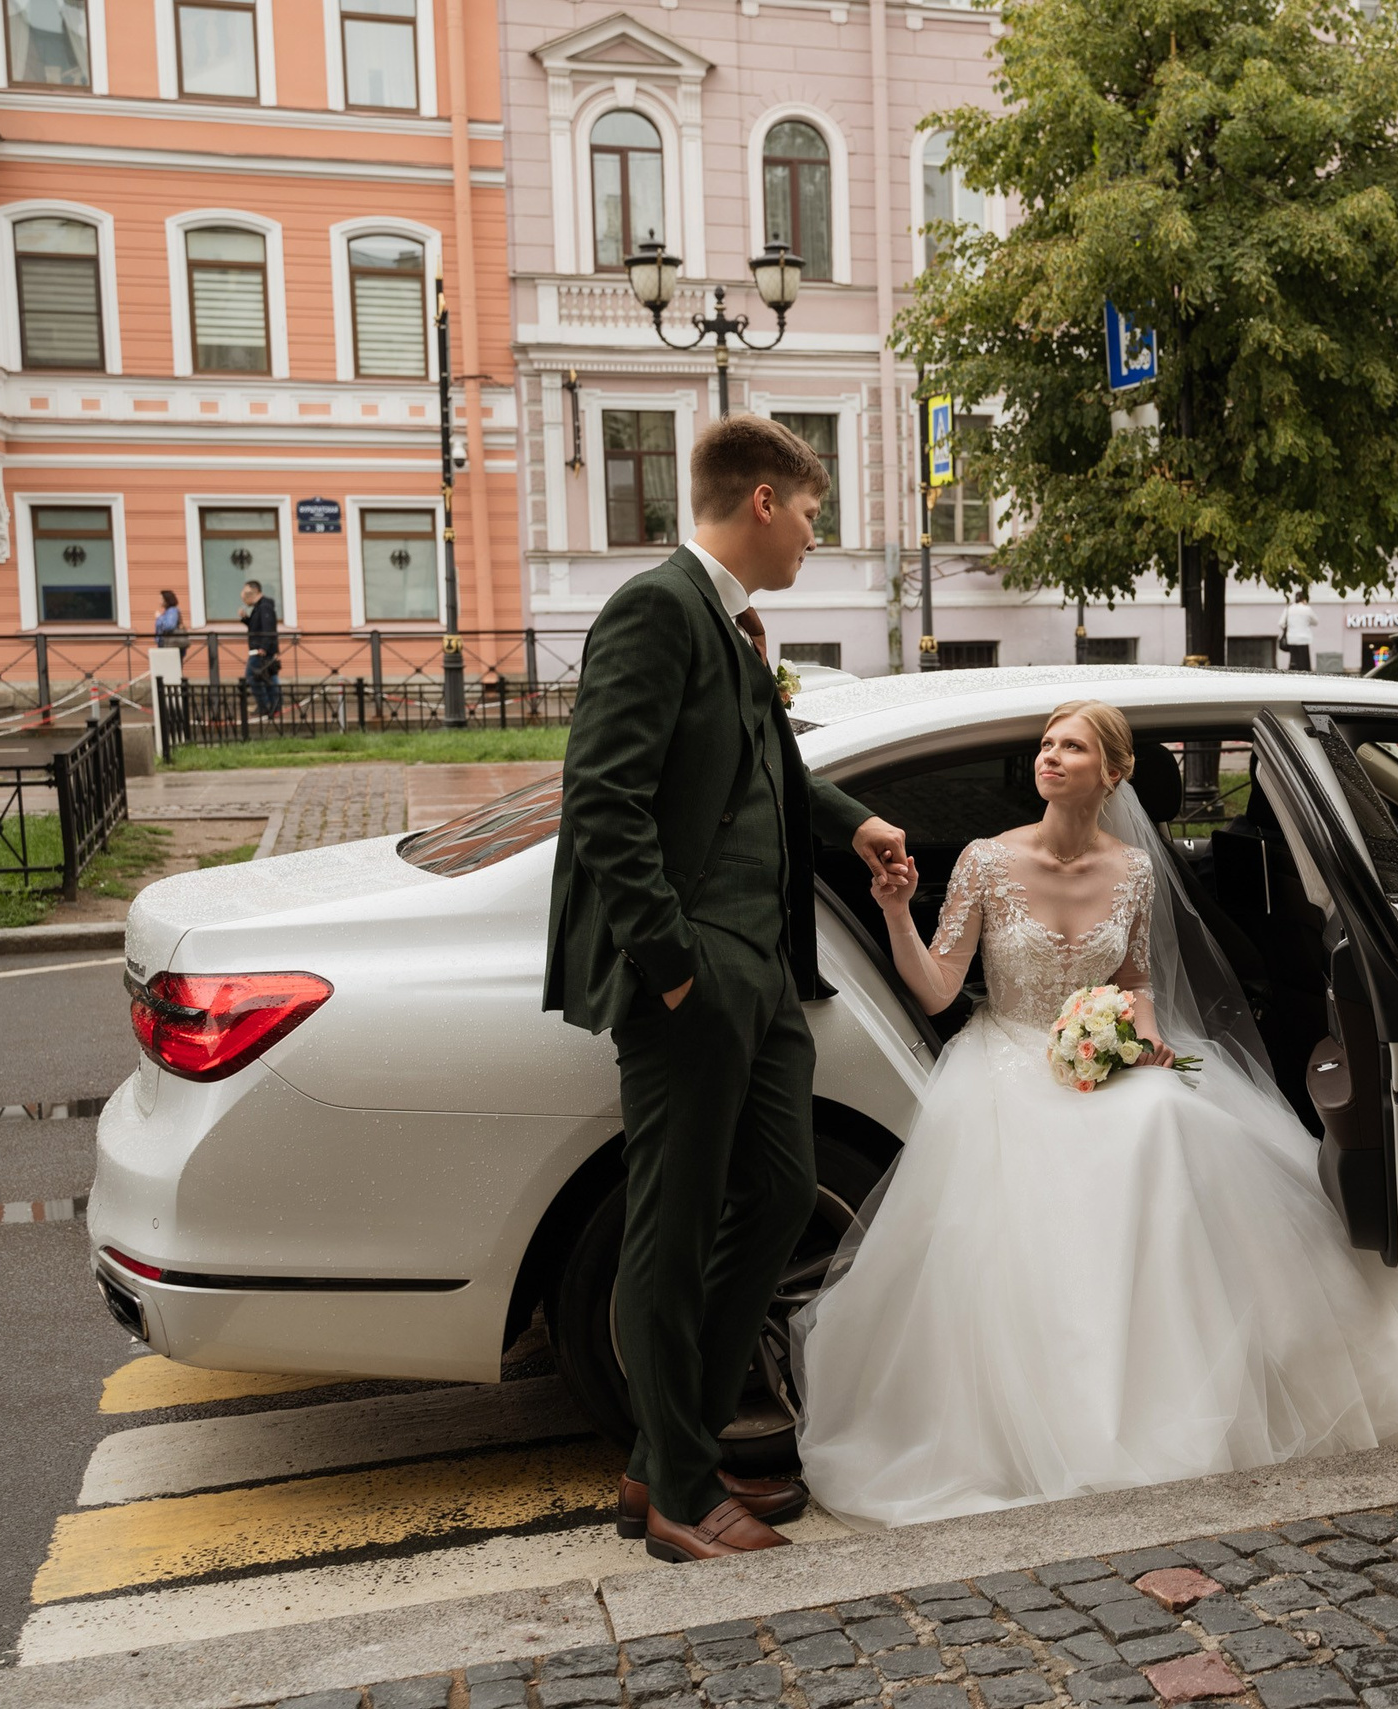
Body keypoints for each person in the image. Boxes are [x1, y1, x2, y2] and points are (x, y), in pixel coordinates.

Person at [792, 700, 1398, 1529]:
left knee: (1171, 1125)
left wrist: (1136, 1034)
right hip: (1006, 1064)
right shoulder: (983, 862)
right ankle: (1080, 1417)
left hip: (1101, 1063)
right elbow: (936, 989)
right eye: (1045, 745)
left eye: (1071, 746)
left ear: (1113, 772)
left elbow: (1135, 979)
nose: (1051, 757)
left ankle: (1216, 1383)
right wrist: (895, 908)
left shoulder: (1134, 869)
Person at [544, 416, 909, 1563]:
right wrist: (672, 970)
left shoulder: (737, 626)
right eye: (810, 513)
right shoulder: (655, 609)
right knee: (674, 1220)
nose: (814, 534)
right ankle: (681, 1491)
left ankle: (667, 1447)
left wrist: (858, 830)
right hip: (695, 977)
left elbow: (773, 771)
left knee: (778, 1192)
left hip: (767, 973)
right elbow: (601, 801)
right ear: (761, 500)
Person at [237, 580, 281, 717]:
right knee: (269, 677)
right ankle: (274, 706)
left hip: (261, 651)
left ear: (254, 592)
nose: (244, 596)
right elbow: (258, 627)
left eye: (246, 592)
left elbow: (268, 629)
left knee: (252, 677)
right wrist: (246, 619)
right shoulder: (259, 607)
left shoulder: (264, 606)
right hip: (264, 650)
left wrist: (264, 647)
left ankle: (265, 706)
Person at [1278, 590, 1317, 672]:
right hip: (1304, 639)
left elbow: (1281, 623)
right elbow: (1315, 621)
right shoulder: (1307, 609)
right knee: (1304, 662)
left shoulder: (1289, 609)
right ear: (1304, 599)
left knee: (1294, 661)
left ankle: (1293, 674)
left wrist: (1289, 628)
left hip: (1292, 638)